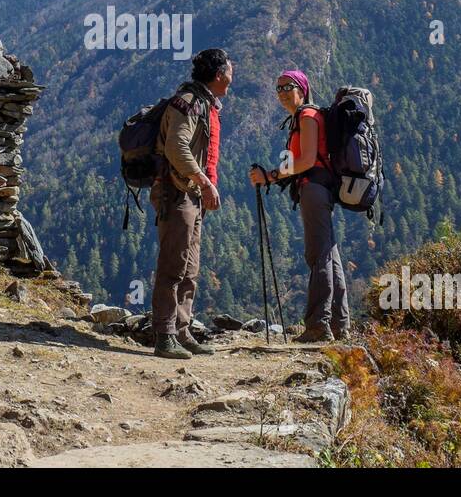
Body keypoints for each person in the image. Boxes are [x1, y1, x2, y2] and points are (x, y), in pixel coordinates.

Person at [249, 69, 350, 343]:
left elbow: (305, 161)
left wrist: (271, 175)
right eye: (278, 88)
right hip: (320, 188)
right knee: (329, 256)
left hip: (314, 189)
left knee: (318, 256)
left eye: (287, 87)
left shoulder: (306, 116)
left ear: (302, 89)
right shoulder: (306, 116)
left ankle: (318, 326)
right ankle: (340, 325)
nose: (281, 93)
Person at [150, 48, 232, 359]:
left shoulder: (205, 102)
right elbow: (176, 147)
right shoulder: (189, 103)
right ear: (218, 74)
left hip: (190, 192)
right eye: (229, 71)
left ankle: (182, 330)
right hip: (177, 191)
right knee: (174, 262)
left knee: (190, 266)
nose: (231, 77)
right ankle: (164, 334)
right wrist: (204, 181)